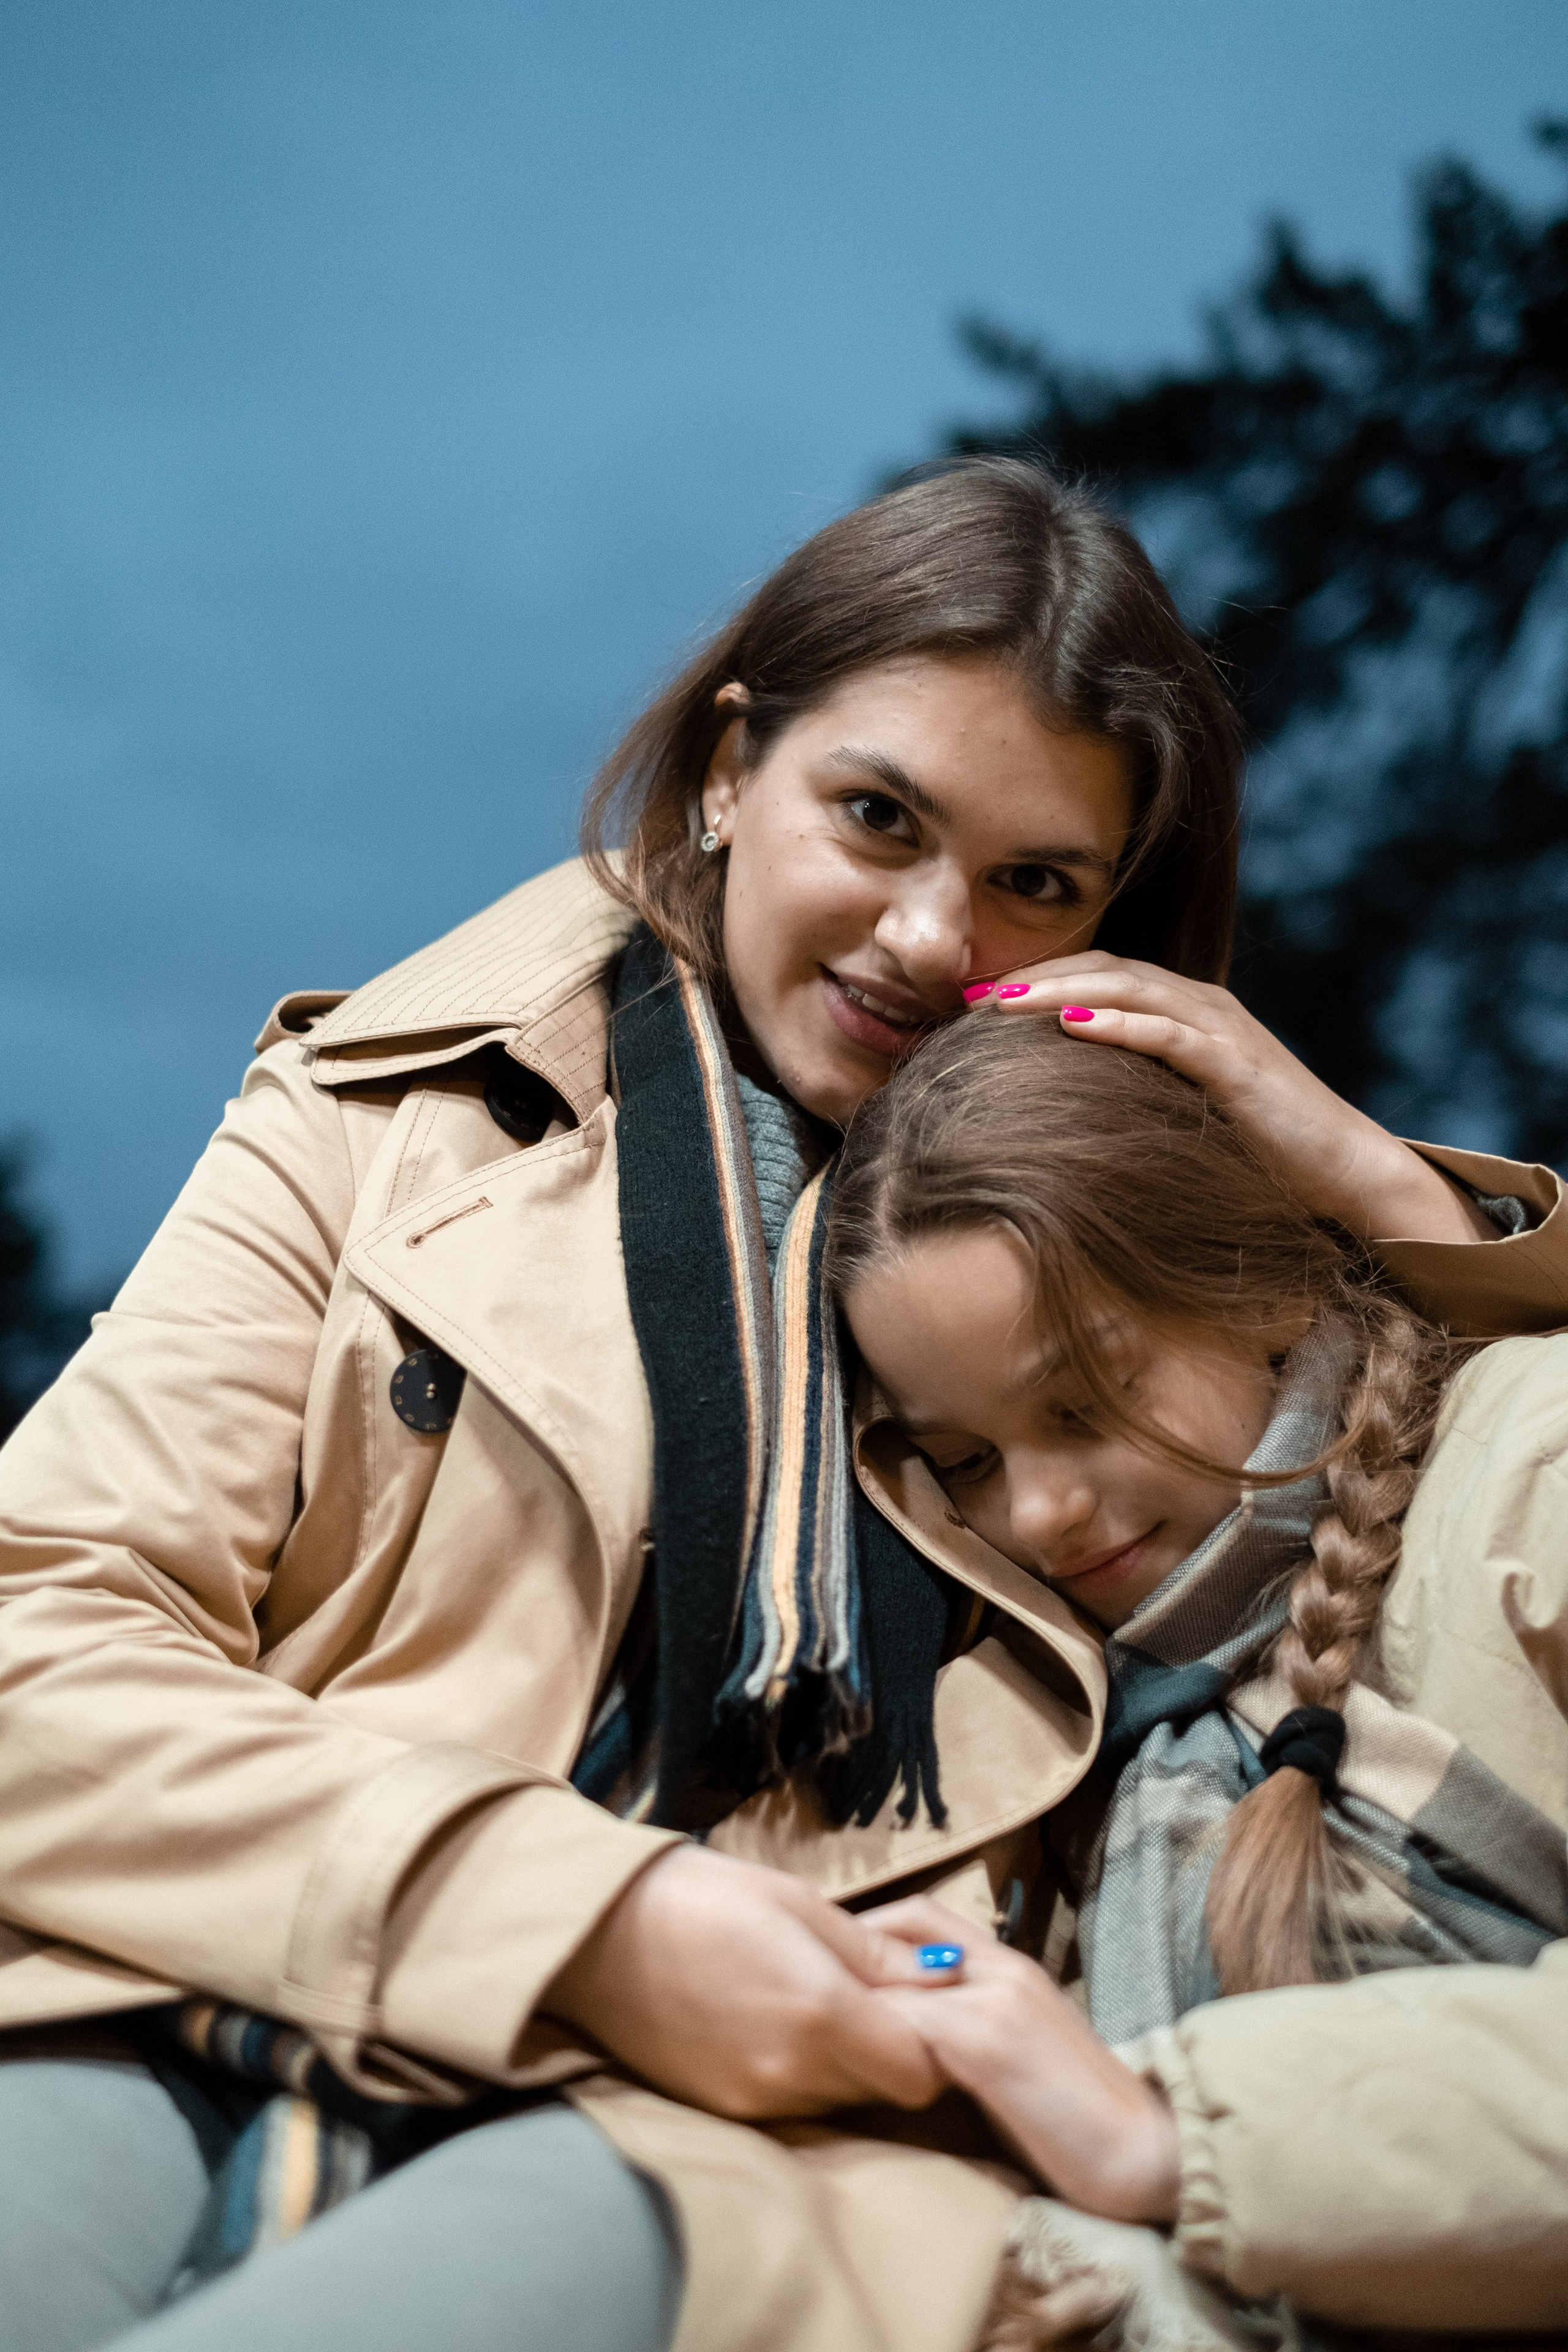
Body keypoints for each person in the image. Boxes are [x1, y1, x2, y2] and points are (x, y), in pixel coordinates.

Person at [1, 457, 1566, 2352]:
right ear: (735, 768)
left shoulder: (1113, 1316)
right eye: (878, 815)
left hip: (764, 2133)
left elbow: (1392, 1484)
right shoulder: (378, 1120)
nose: (928, 935)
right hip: (219, 1967)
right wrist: (587, 1922)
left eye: (1035, 882)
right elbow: (37, 1641)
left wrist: (1406, 1207)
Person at [829, 1008, 1568, 2343]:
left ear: (1256, 1288)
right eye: (967, 1462)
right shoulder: (1058, 1734)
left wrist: (1173, 2134)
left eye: (1083, 1400)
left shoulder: (1534, 1463)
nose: (1042, 1514)